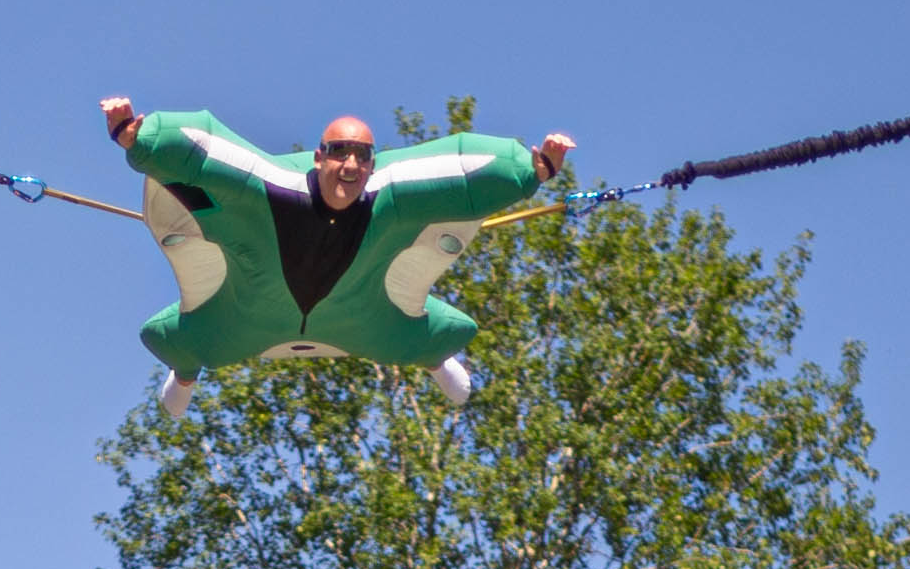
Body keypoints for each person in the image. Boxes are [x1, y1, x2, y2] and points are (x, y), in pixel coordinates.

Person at [103, 98, 573, 409]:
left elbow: (460, 170)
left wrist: (533, 169)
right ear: (318, 156)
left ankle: (434, 357)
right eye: (339, 152)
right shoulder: (270, 190)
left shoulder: (390, 196)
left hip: (368, 317)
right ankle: (184, 374)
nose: (351, 165)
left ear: (373, 163)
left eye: (363, 156)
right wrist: (136, 135)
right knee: (185, 341)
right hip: (243, 314)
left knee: (427, 334)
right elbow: (206, 152)